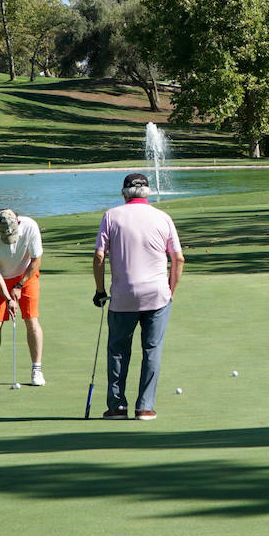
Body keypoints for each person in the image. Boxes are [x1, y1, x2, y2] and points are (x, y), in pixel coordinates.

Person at [93, 173, 184, 421]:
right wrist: (170, 291)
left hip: (123, 295)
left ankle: (117, 407)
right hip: (157, 295)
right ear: (147, 193)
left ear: (124, 193)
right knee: (152, 350)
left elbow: (99, 257)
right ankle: (145, 407)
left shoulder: (111, 216)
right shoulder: (163, 218)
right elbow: (178, 259)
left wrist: (100, 291)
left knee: (118, 351)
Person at [0, 208, 45, 387]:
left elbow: (36, 260)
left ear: (18, 223)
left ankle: (36, 370)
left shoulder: (30, 226)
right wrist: (8, 298)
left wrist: (20, 285)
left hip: (26, 275)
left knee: (31, 320)